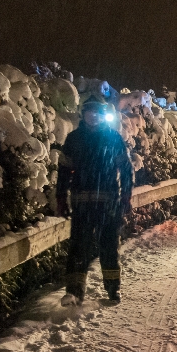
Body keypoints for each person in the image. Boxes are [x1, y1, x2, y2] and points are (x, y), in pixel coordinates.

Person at [56, 96, 133, 304]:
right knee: (78, 248)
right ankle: (74, 293)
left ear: (102, 115)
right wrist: (61, 197)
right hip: (81, 205)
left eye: (98, 112)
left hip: (108, 204)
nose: (94, 115)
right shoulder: (74, 139)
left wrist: (126, 196)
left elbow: (126, 169)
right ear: (83, 115)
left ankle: (113, 289)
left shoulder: (113, 138)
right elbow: (64, 171)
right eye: (90, 112)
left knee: (108, 247)